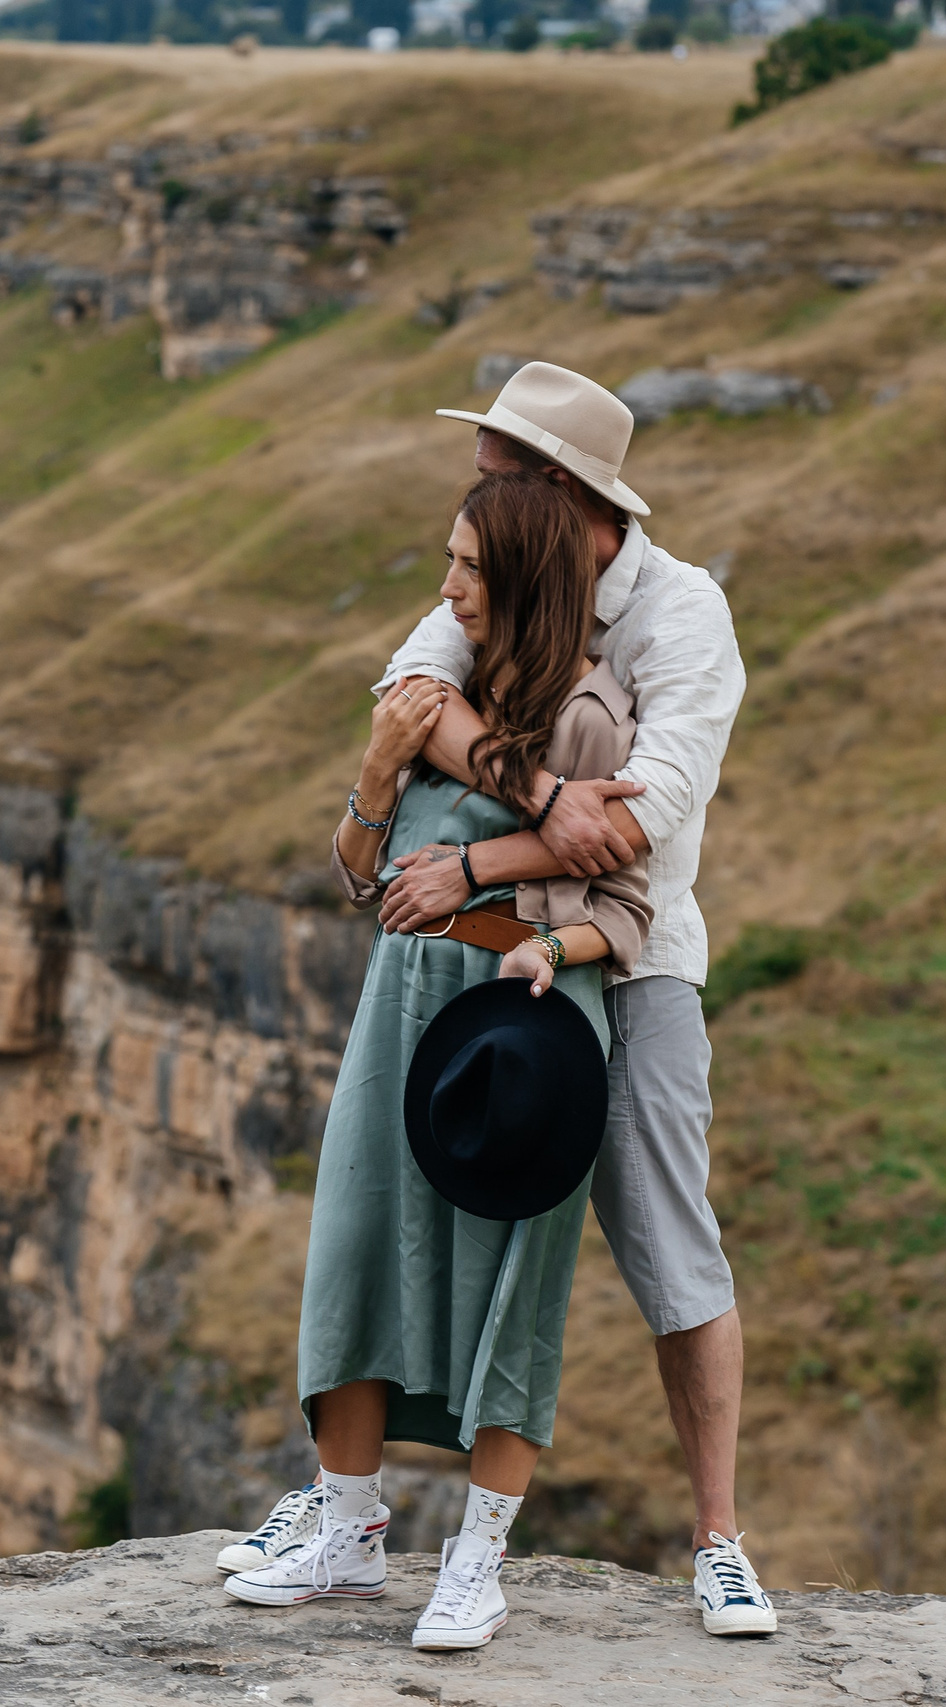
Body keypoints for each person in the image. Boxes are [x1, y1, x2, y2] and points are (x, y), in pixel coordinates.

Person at [213, 363, 771, 1639]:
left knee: (664, 1236)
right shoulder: (491, 583)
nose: (474, 501)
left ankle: (719, 1539)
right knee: (380, 1216)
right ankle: (344, 1505)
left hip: (627, 960)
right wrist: (533, 797)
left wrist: (478, 849)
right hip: (472, 963)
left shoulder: (682, 615)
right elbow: (408, 699)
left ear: (560, 497)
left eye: (496, 478)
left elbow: (649, 814)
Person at [222, 472, 649, 1653]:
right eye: (448, 561)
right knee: (354, 1243)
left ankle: (476, 1561)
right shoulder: (431, 696)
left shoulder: (588, 717)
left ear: (521, 578)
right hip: (405, 995)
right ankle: (349, 1531)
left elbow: (628, 903)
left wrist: (537, 942)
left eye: (468, 566)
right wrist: (373, 771)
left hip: (525, 1011)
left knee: (514, 1281)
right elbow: (361, 878)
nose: (447, 586)